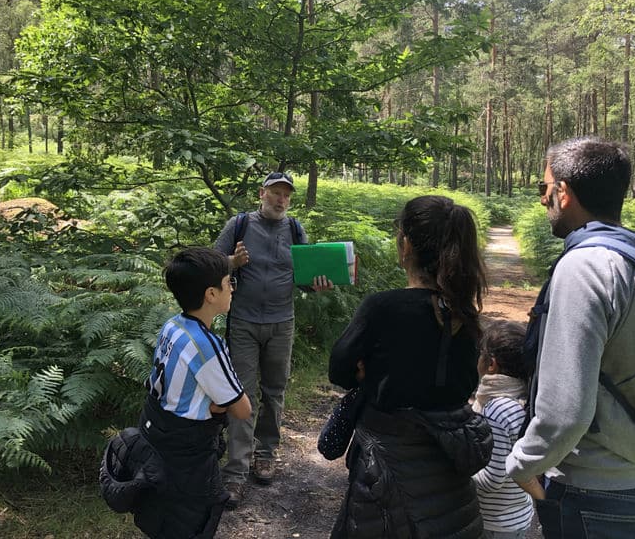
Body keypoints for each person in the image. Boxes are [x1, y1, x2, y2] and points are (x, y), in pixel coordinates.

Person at [505, 137, 635, 539]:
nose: (542, 200)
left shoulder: (585, 266)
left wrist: (522, 464)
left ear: (563, 191)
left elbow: (567, 409)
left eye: (544, 189)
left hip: (592, 488)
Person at [328, 195, 493, 539]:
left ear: (406, 246)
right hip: (450, 480)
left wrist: (369, 372)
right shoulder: (467, 315)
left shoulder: (383, 308)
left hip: (386, 473)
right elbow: (461, 383)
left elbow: (340, 369)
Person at [214, 171, 332, 508]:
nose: (281, 200)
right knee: (242, 394)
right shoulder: (238, 225)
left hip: (282, 322)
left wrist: (319, 282)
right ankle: (235, 472)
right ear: (261, 194)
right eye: (275, 193)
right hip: (244, 323)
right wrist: (232, 262)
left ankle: (265, 454)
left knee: (275, 391)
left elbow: (307, 275)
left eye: (286, 195)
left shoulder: (294, 229)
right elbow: (209, 263)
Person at [132, 247, 252, 539]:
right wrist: (218, 406)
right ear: (211, 294)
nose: (232, 288)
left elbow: (179, 381)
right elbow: (242, 409)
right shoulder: (208, 346)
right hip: (187, 450)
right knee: (191, 521)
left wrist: (212, 404)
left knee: (163, 514)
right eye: (228, 283)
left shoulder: (172, 326)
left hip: (155, 430)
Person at [473, 320, 541, 539]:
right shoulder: (522, 398)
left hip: (495, 523)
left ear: (491, 364)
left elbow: (491, 480)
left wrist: (452, 469)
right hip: (516, 513)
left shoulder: (497, 410)